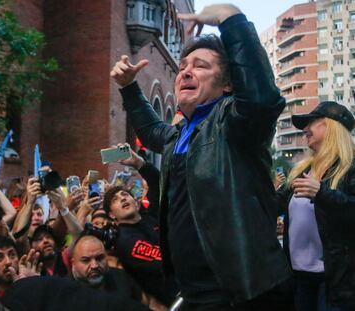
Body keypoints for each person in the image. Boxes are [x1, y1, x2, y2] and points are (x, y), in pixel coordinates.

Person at [110, 3, 292, 309]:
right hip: (193, 291)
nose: (186, 72)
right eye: (182, 67)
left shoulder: (234, 123)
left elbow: (262, 100)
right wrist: (129, 87)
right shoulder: (179, 133)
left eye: (201, 66)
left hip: (242, 292)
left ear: (227, 84)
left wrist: (230, 19)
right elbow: (153, 130)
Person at [277, 101, 355, 311]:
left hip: (336, 284)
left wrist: (322, 193)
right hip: (299, 280)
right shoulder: (302, 171)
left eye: (311, 123)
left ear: (330, 126)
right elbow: (272, 205)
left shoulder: (350, 167)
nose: (305, 129)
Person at [103, 186, 177, 307]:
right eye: (115, 199)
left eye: (125, 195)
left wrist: (142, 167)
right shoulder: (125, 241)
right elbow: (165, 261)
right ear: (111, 214)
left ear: (136, 202)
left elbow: (159, 187)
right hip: (177, 296)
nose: (122, 198)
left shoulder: (151, 217)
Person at [71, 234, 143, 303]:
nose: (94, 265)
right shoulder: (65, 291)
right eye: (86, 260)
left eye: (99, 258)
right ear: (73, 263)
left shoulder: (123, 279)